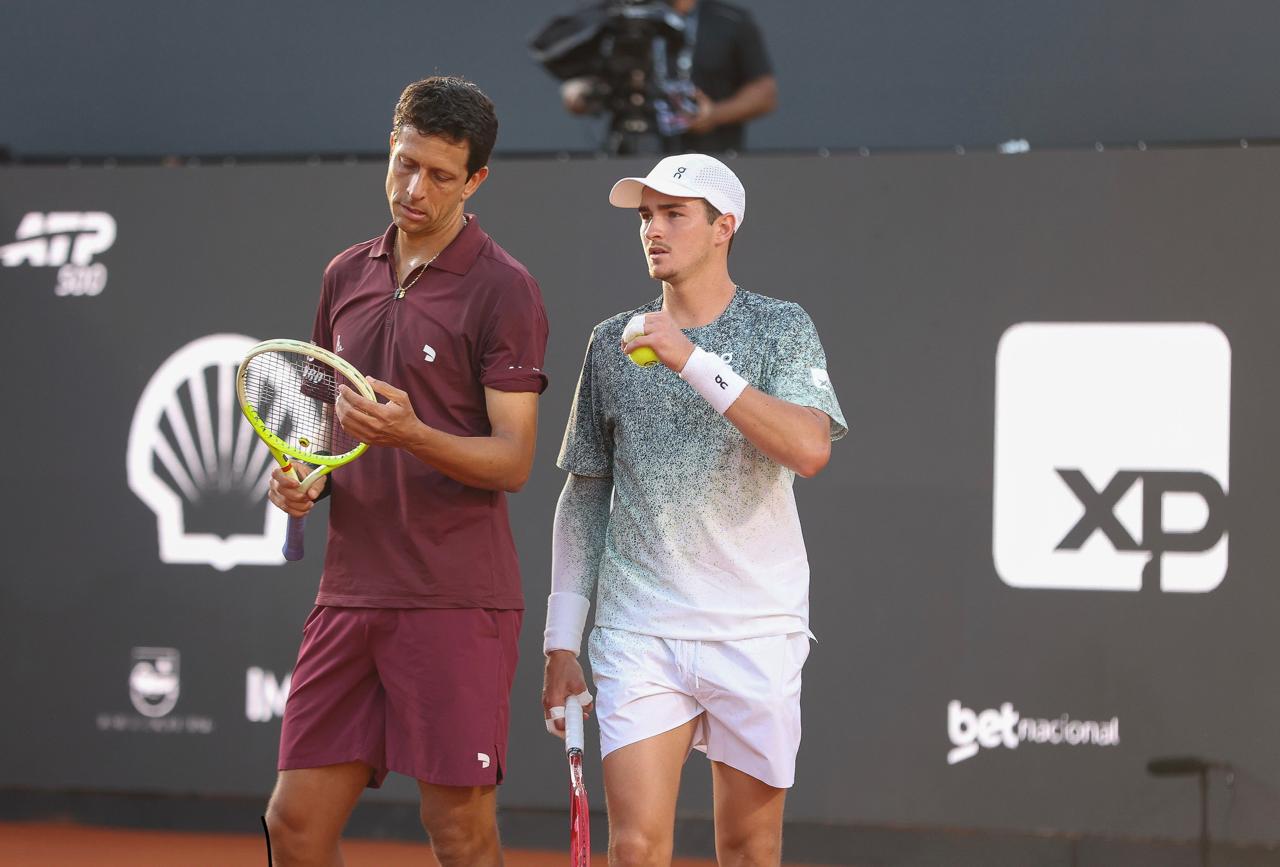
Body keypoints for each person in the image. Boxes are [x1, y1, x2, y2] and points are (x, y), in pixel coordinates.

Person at [263, 76, 549, 867]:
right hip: (349, 593)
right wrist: (301, 479)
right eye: (404, 164)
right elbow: (317, 431)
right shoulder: (343, 275)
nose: (414, 189)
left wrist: (414, 434)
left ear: (476, 180)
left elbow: (514, 459)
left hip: (454, 599)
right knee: (293, 825)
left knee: (457, 831)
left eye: (440, 175)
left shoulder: (505, 288)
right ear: (390, 148)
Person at [541, 153, 845, 865]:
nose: (652, 228)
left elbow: (809, 449)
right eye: (647, 215)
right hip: (639, 629)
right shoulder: (611, 343)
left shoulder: (779, 326)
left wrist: (692, 361)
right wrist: (561, 641)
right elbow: (585, 492)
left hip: (755, 628)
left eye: (673, 214)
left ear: (723, 227)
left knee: (748, 849)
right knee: (635, 848)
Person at [546, 0, 777, 154]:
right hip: (632, 148)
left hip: (707, 155)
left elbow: (764, 93)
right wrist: (585, 92)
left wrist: (714, 114)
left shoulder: (730, 20)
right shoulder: (622, 17)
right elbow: (588, 76)